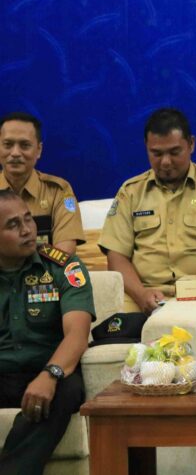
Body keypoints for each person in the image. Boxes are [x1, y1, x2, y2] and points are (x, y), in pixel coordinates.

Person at [99, 109, 196, 313]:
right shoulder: (131, 193)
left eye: (174, 152)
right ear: (146, 148)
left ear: (191, 144)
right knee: (116, 327)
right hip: (141, 298)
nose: (166, 162)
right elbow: (116, 256)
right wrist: (141, 294)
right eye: (157, 154)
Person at [0, 190, 94, 475]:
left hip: (50, 369)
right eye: (13, 225)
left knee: (68, 390)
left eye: (28, 219)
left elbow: (77, 334)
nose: (27, 230)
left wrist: (50, 375)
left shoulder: (64, 267)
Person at [0, 113, 84, 255]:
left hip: (45, 269)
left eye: (25, 145)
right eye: (8, 144)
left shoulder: (59, 192)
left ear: (38, 150)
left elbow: (65, 252)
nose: (15, 153)